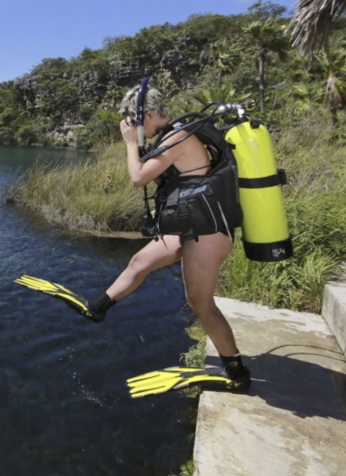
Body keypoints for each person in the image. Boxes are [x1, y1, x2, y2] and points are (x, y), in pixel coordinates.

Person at [86, 84, 250, 390]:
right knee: (139, 261)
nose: (133, 130)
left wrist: (128, 144)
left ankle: (238, 374)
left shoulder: (178, 135)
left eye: (134, 123)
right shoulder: (175, 134)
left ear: (147, 115)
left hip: (207, 230)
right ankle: (97, 309)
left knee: (200, 302)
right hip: (191, 224)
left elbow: (138, 178)